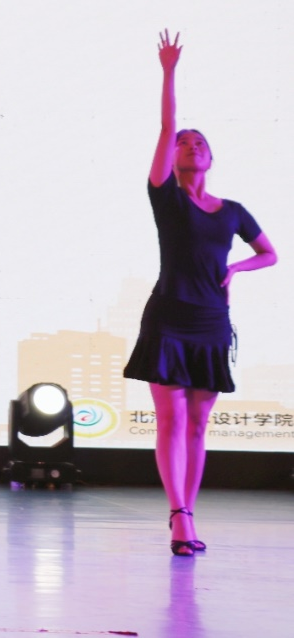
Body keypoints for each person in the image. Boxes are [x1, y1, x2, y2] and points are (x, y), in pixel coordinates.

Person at [122, 30, 276, 556]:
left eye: (200, 143)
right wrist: (168, 72)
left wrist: (236, 268)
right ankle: (179, 517)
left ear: (211, 158)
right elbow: (167, 126)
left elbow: (270, 253)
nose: (191, 145)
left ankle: (189, 512)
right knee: (171, 420)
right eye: (185, 142)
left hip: (212, 321)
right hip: (168, 316)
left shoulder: (232, 210)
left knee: (197, 425)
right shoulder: (166, 197)